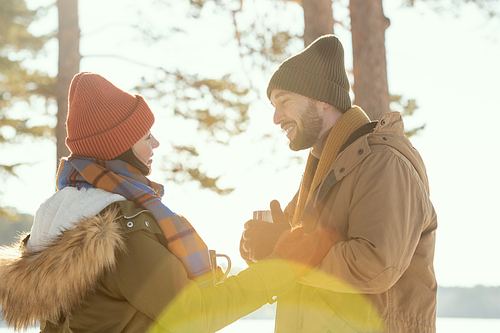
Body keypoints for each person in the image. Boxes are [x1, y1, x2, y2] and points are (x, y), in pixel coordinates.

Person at [0, 72, 337, 332]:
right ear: (120, 147)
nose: (156, 143)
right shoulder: (117, 231)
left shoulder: (60, 213)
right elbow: (196, 312)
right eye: (146, 137)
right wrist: (282, 267)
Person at [240, 35, 438, 333]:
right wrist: (266, 247)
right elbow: (300, 261)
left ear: (323, 100)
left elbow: (375, 264)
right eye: (273, 105)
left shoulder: (383, 163)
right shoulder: (325, 171)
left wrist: (282, 251)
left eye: (284, 101)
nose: (276, 117)